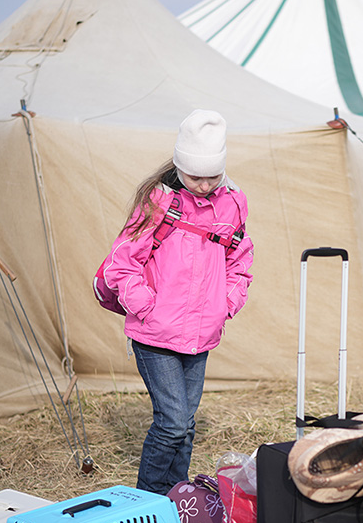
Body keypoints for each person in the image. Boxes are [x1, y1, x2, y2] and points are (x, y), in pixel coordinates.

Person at [99, 109, 254, 494]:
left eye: (212, 177)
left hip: (201, 332)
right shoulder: (159, 202)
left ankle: (178, 497)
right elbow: (123, 262)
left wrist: (227, 302)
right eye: (194, 177)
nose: (203, 186)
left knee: (185, 423)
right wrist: (147, 307)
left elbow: (240, 257)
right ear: (180, 167)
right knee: (171, 421)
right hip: (156, 334)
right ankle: (146, 501)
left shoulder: (233, 204)